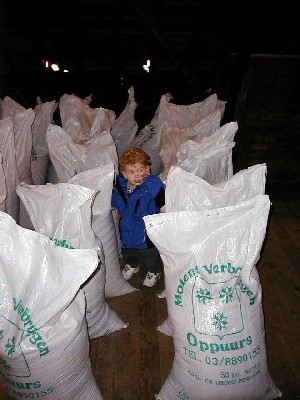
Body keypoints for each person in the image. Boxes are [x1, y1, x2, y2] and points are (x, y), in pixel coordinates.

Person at [111, 147, 165, 287]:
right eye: (131, 172)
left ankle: (154, 270)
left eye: (140, 170)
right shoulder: (120, 187)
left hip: (146, 230)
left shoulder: (151, 185)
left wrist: (150, 180)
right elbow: (114, 199)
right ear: (124, 174)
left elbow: (162, 199)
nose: (137, 175)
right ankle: (132, 264)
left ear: (147, 169)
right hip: (128, 227)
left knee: (150, 254)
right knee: (128, 250)